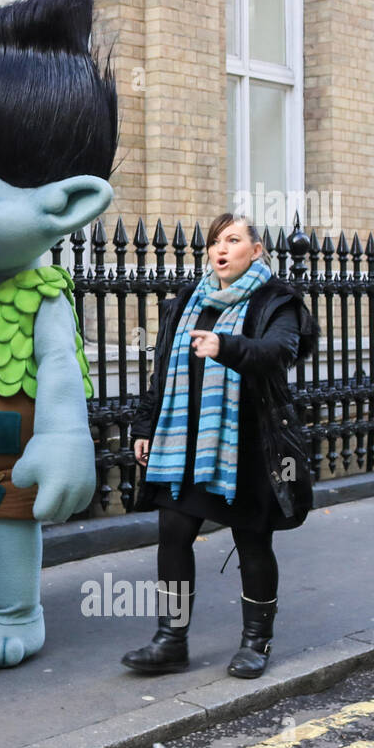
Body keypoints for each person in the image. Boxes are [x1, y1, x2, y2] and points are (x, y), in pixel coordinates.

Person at [124, 212, 318, 678]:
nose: (220, 249)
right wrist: (145, 427)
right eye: (215, 242)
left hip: (247, 445)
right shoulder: (189, 301)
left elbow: (277, 353)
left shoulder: (278, 303)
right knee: (173, 531)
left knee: (252, 541)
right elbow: (162, 371)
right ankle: (171, 639)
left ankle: (256, 642)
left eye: (232, 240)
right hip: (185, 440)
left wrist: (225, 346)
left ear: (256, 250)